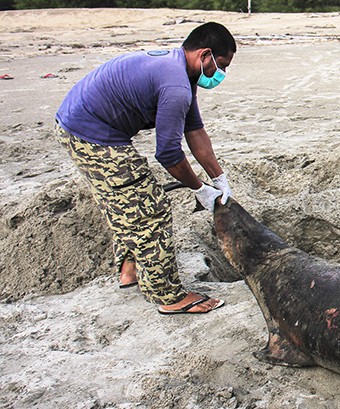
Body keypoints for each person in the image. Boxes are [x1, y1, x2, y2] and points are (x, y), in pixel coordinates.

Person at [55, 22, 237, 315]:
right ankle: (168, 296)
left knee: (124, 204)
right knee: (151, 209)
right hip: (92, 134)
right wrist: (199, 188)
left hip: (79, 123)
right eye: (221, 65)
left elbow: (196, 131)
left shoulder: (179, 71)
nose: (221, 74)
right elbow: (168, 154)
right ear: (205, 55)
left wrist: (219, 177)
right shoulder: (176, 85)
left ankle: (129, 271)